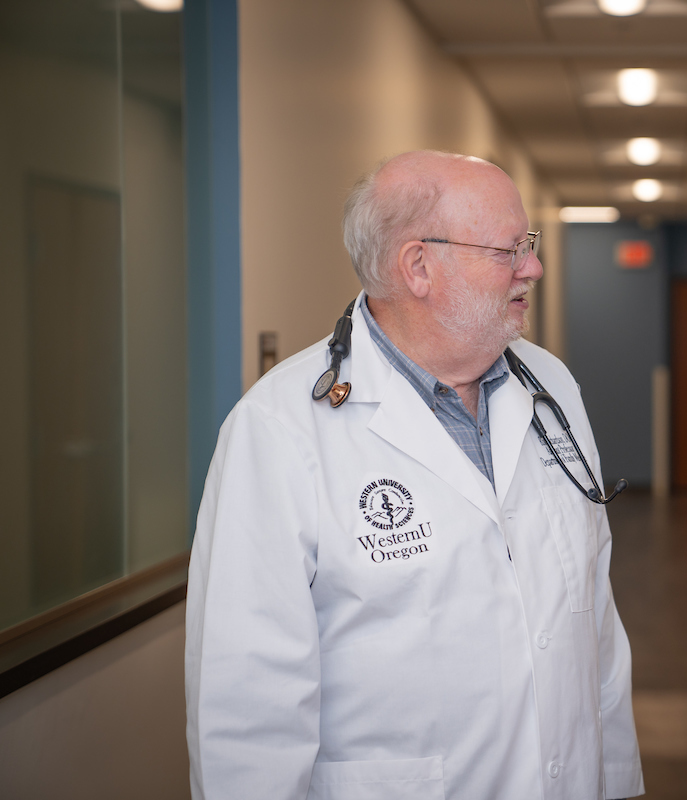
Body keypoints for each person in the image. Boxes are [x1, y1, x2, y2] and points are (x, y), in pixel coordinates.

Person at [185, 151, 644, 800]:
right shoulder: (280, 430)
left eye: (529, 245)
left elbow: (592, 625)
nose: (534, 268)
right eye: (509, 249)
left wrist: (615, 781)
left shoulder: (552, 390)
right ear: (419, 267)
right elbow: (247, 706)